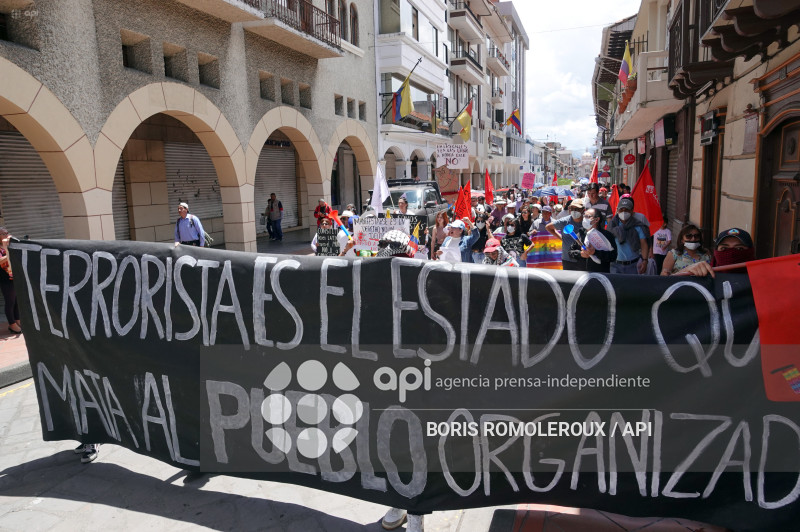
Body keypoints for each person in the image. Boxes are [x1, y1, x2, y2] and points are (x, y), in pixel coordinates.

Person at [674, 228, 756, 277]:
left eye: (739, 248)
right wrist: (685, 272)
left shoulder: (762, 277)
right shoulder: (704, 275)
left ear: (750, 251)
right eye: (724, 248)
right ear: (716, 252)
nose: (731, 253)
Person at [607, 197, 650, 274]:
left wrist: (645, 261)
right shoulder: (612, 225)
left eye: (626, 210)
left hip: (633, 265)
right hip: (615, 265)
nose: (623, 212)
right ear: (617, 211)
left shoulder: (638, 226)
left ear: (632, 211)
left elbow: (644, 244)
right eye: (621, 210)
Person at [546, 198, 585, 271]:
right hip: (567, 259)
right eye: (572, 208)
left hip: (583, 259)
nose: (574, 211)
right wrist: (561, 238)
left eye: (577, 209)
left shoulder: (586, 222)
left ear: (583, 210)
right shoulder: (565, 221)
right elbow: (548, 227)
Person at [0, 227, 21, 334]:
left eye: (7, 233)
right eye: (3, 233)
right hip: (5, 278)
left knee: (17, 300)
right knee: (10, 301)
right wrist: (8, 252)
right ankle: (12, 324)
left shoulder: (9, 246)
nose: (6, 235)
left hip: (14, 276)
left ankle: (18, 320)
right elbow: (2, 260)